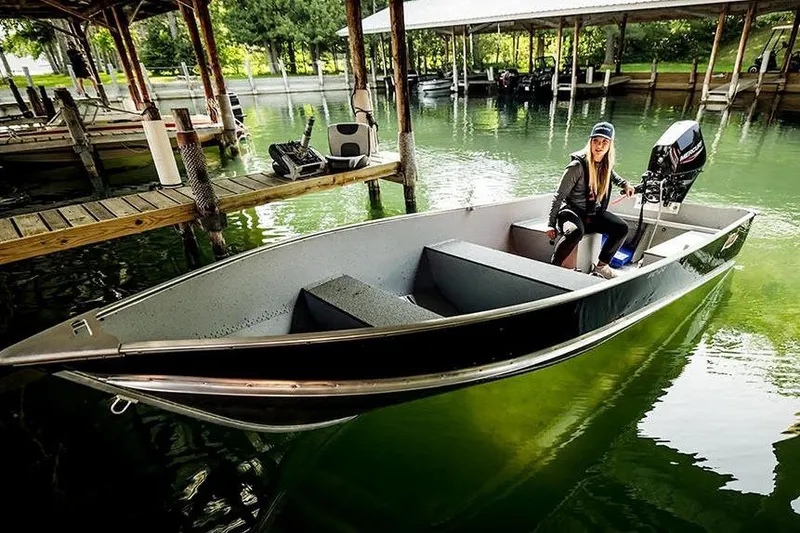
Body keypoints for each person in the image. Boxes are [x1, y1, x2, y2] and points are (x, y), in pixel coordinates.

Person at [546, 121, 636, 279]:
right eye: (596, 141)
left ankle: (602, 266)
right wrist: (550, 224)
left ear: (610, 145)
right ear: (590, 142)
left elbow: (613, 176)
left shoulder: (605, 164)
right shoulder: (576, 167)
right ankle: (553, 268)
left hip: (592, 213)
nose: (599, 146)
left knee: (621, 228)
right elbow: (558, 196)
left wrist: (625, 184)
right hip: (570, 212)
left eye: (604, 142)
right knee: (576, 232)